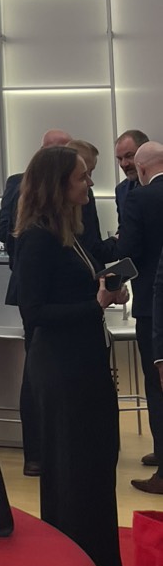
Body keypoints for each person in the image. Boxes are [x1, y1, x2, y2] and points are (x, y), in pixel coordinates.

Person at [14, 145, 134, 566]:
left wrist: (102, 293)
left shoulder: (71, 234)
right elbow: (34, 313)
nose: (89, 184)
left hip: (82, 366)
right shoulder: (38, 239)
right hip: (62, 373)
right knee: (76, 482)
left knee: (93, 477)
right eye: (82, 177)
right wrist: (96, 304)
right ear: (59, 184)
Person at [0, 127, 71, 476]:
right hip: (40, 289)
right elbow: (5, 232)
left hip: (50, 286)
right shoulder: (18, 184)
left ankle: (49, 449)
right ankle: (37, 452)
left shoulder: (74, 187)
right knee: (38, 370)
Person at [115, 141, 163, 489]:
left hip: (151, 303)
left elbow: (128, 249)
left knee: (156, 383)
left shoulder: (139, 198)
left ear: (143, 169)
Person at [115, 129, 149, 226]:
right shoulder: (121, 190)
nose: (124, 164)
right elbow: (123, 227)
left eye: (129, 156)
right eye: (120, 159)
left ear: (145, 152)